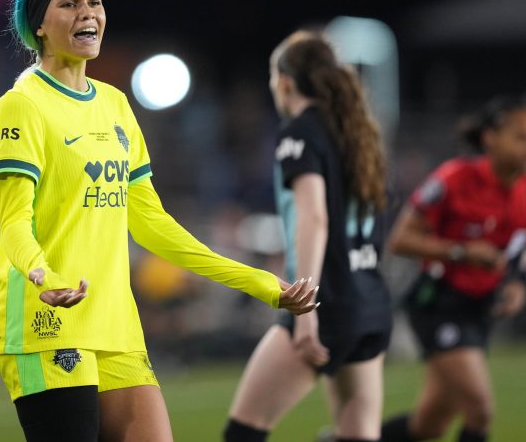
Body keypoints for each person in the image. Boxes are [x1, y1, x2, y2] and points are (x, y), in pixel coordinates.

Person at [0, 0, 318, 442]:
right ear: (38, 24)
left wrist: (257, 282)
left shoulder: (115, 105)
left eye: (94, 2)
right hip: (46, 322)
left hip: (113, 322)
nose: (87, 12)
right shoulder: (22, 105)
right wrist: (43, 276)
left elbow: (151, 223)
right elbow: (14, 224)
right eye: (69, 3)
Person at [224, 30, 392, 442]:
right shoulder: (357, 132)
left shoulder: (299, 131)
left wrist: (306, 309)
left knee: (242, 433)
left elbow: (314, 217)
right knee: (358, 436)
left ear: (284, 81)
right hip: (370, 301)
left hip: (327, 301)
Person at [380, 95, 526, 442]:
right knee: (479, 409)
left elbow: (520, 246)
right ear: (490, 137)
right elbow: (399, 240)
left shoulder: (522, 190)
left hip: (479, 309)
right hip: (440, 303)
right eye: (521, 137)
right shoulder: (455, 178)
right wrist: (461, 252)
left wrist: (517, 283)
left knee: (429, 425)